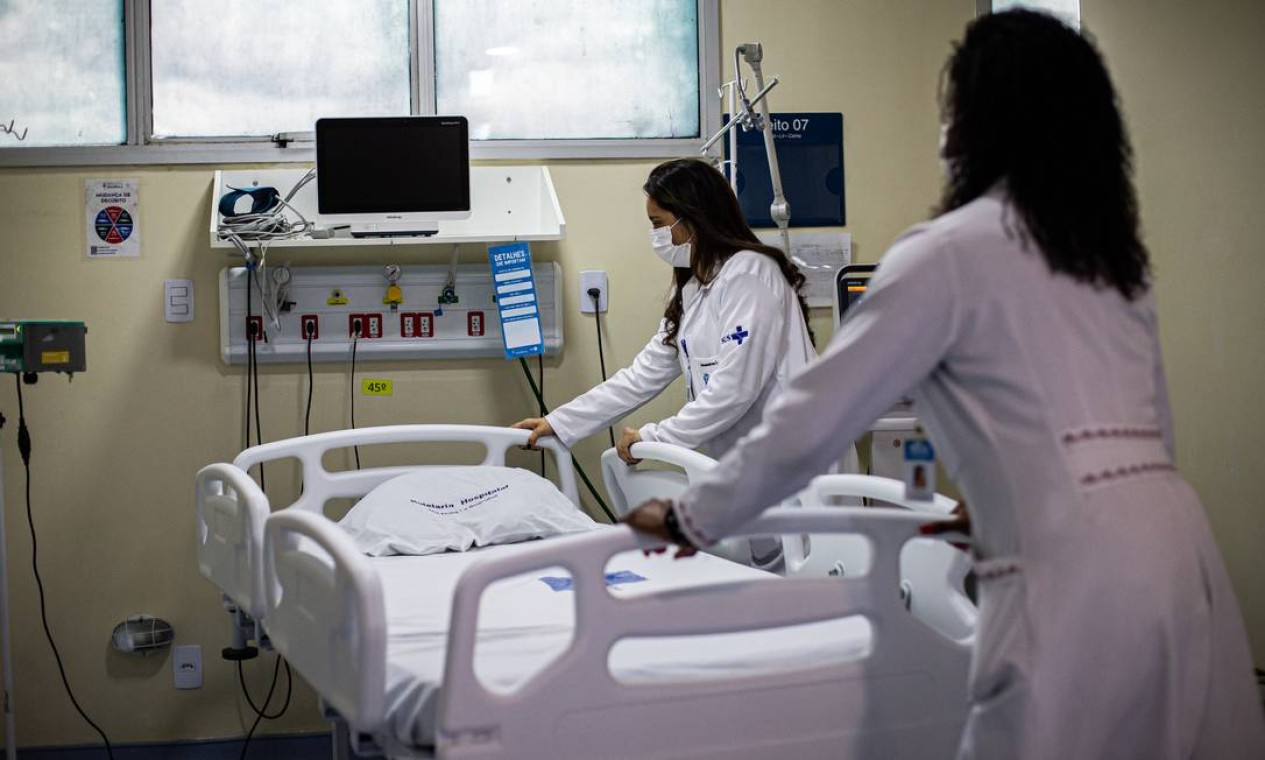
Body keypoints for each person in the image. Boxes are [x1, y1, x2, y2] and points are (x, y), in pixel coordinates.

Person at [623, 10, 1265, 759]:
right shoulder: (1114, 265)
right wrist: (990, 499)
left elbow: (813, 415)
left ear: (970, 125)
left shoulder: (945, 253)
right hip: (1175, 546)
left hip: (1067, 559)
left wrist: (692, 515)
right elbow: (1135, 436)